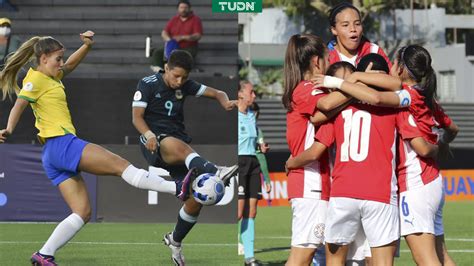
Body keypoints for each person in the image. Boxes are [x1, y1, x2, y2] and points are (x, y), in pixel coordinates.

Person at [0, 31, 192, 266]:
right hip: (62, 143)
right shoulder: (36, 79)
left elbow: (70, 65)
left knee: (82, 212)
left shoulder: (52, 76)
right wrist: (8, 129)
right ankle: (177, 188)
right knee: (121, 166)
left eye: (62, 58)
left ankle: (44, 254)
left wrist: (87, 47)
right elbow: (19, 104)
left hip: (51, 154)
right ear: (43, 58)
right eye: (57, 58)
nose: (61, 63)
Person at [316, 46, 458, 266]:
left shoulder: (402, 101)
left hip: (411, 184)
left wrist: (346, 81)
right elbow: (453, 129)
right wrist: (441, 145)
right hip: (423, 183)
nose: (391, 67)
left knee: (426, 258)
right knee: (439, 255)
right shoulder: (425, 96)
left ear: (401, 68)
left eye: (394, 63)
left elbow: (326, 110)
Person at [132, 49, 238, 266]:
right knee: (178, 146)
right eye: (176, 76)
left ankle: (175, 241)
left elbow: (217, 92)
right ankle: (215, 170)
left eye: (185, 77)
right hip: (154, 142)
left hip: (176, 146)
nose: (180, 81)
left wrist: (224, 101)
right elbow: (136, 117)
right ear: (167, 68)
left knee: (195, 200)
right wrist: (148, 134)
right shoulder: (148, 83)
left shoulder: (186, 85)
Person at [237, 80, 263, 266]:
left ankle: (249, 257)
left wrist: (261, 146)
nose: (254, 96)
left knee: (251, 211)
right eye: (251, 92)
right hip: (239, 162)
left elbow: (254, 141)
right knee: (238, 212)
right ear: (240, 95)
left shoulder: (252, 116)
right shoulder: (232, 116)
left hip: (253, 162)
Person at [327, 2, 391, 68]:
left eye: (357, 24)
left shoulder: (374, 51)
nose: (353, 29)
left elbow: (393, 77)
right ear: (334, 30)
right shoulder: (326, 58)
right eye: (345, 25)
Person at [150, 0, 202, 72]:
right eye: (181, 7)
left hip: (188, 47)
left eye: (185, 7)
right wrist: (169, 40)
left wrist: (183, 38)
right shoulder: (174, 19)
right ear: (178, 9)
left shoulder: (195, 20)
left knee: (178, 55)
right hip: (173, 45)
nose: (183, 9)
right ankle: (160, 71)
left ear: (189, 9)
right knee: (158, 52)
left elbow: (198, 35)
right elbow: (164, 32)